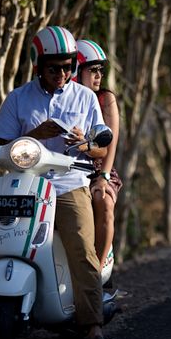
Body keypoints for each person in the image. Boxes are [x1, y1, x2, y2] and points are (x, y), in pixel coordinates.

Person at [0, 26, 117, 339]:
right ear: (37, 64)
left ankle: (93, 330)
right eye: (54, 68)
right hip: (25, 183)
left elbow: (100, 149)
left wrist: (84, 143)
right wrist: (36, 135)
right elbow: (2, 147)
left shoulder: (84, 97)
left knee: (83, 248)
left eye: (68, 67)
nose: (63, 74)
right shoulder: (19, 98)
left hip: (68, 183)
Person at [74, 39, 122, 279]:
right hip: (67, 169)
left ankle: (96, 274)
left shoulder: (106, 99)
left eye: (100, 70)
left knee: (103, 202)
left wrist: (103, 176)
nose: (98, 76)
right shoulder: (65, 99)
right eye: (92, 70)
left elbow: (110, 143)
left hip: (98, 168)